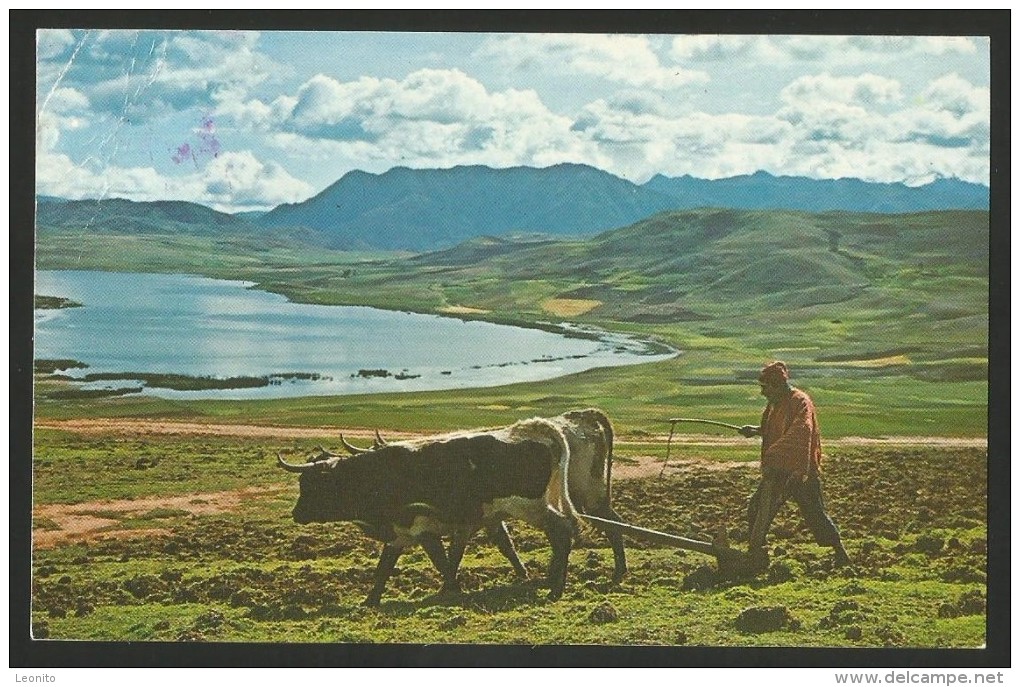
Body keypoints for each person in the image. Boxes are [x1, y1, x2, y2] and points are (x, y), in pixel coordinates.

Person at [737, 361, 851, 571]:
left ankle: (841, 554)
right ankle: (758, 557)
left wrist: (774, 454)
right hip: (779, 469)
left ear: (777, 385)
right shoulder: (775, 403)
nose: (763, 393)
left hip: (801, 470)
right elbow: (773, 429)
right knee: (755, 509)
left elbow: (801, 432)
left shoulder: (800, 402)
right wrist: (755, 430)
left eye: (765, 388)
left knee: (815, 513)